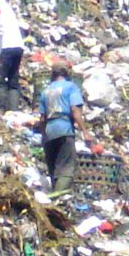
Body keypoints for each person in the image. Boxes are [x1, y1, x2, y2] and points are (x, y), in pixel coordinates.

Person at [38, 61, 86, 195]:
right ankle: (56, 200)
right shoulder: (71, 87)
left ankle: (53, 198)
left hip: (49, 132)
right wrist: (85, 132)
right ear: (66, 74)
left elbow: (42, 119)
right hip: (64, 129)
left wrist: (43, 136)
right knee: (66, 168)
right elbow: (75, 111)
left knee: (54, 169)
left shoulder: (45, 91)